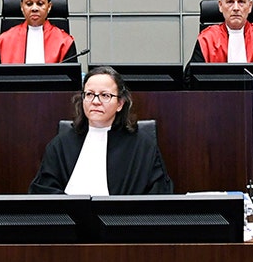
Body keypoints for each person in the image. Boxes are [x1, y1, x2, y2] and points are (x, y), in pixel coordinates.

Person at [30, 66, 173, 195]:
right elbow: (42, 192)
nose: (96, 101)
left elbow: (159, 196)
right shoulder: (60, 144)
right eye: (90, 94)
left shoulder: (143, 146)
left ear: (120, 104)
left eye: (105, 95)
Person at [0, 0, 75, 64]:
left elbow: (72, 77)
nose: (34, 8)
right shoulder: (4, 40)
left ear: (49, 7)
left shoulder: (65, 41)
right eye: (29, 4)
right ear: (22, 7)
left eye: (40, 4)